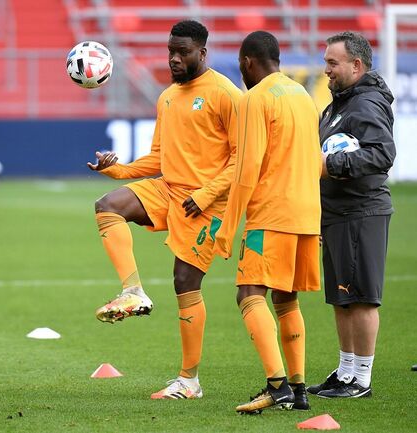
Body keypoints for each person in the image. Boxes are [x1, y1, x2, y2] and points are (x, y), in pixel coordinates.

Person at [88, 20, 242, 399]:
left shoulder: (226, 94)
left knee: (184, 282)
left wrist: (206, 194)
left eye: (182, 52)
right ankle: (133, 291)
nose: (173, 58)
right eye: (171, 51)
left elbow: (243, 159)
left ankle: (189, 381)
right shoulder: (168, 96)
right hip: (169, 189)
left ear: (202, 53)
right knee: (108, 206)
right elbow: (159, 157)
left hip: (207, 204)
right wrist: (117, 170)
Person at [213, 31, 322, 414]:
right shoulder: (303, 95)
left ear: (247, 62)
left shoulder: (255, 98)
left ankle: (277, 386)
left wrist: (227, 228)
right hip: (307, 215)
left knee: (249, 293)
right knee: (286, 298)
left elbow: (246, 170)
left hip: (272, 215)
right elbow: (316, 161)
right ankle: (299, 389)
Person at [307, 31, 395, 399]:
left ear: (356, 65)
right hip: (337, 213)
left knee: (360, 297)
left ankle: (361, 379)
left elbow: (382, 154)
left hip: (361, 211)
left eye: (332, 62)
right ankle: (345, 372)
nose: (326, 69)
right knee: (342, 297)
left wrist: (332, 164)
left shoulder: (366, 104)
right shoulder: (337, 106)